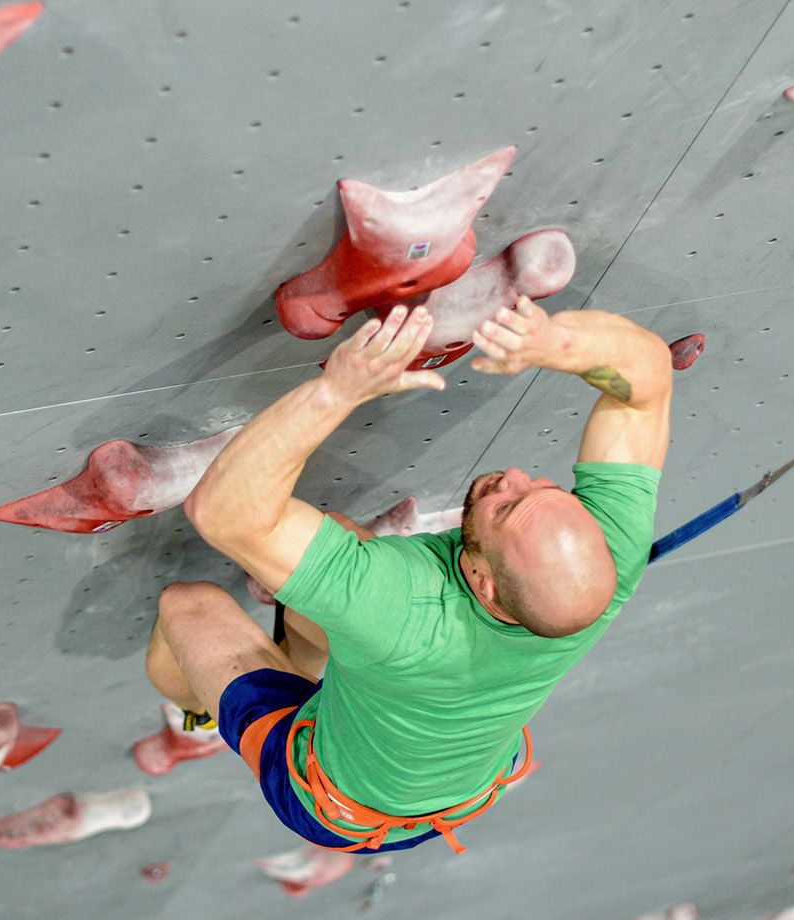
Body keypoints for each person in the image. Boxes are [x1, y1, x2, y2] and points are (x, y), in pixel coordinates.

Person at [145, 295, 670, 856]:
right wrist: (555, 343)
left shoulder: (403, 607)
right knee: (335, 546)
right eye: (541, 487)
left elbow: (222, 512)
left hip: (337, 803)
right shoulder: (606, 556)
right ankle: (302, 658)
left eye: (505, 505)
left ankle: (195, 718)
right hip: (455, 779)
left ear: (482, 580)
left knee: (189, 605)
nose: (514, 476)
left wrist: (336, 391)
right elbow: (648, 384)